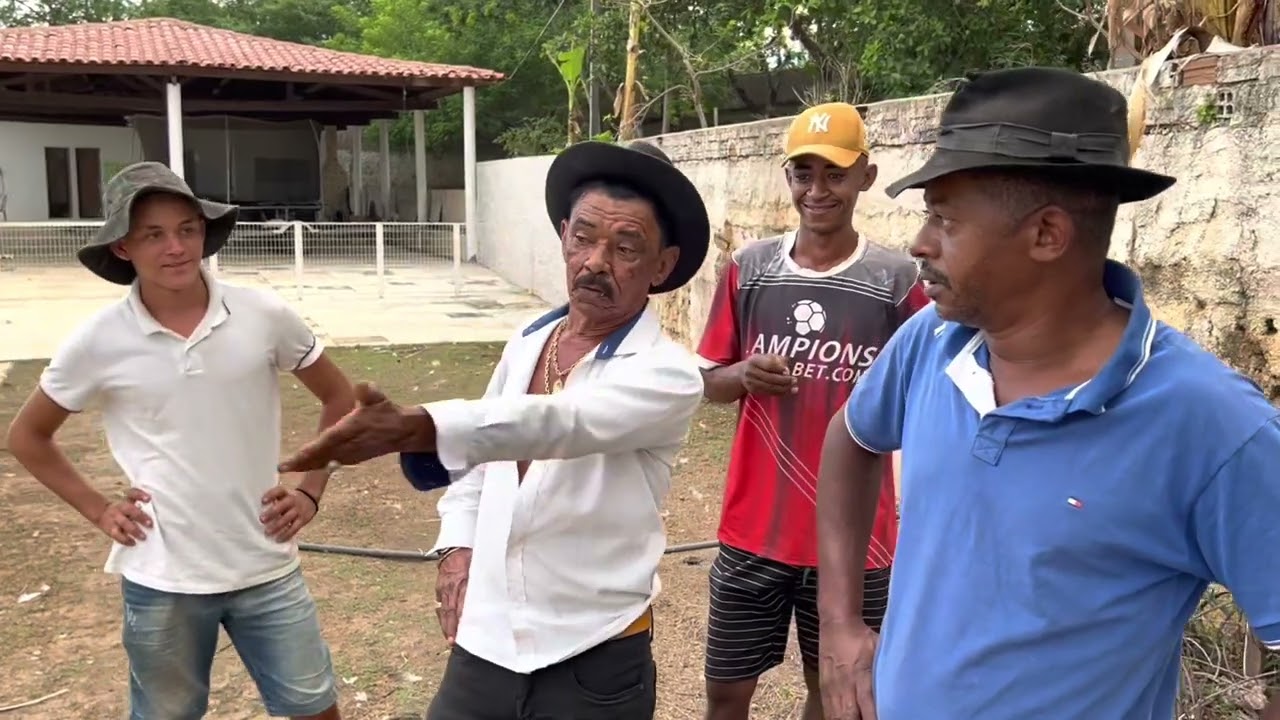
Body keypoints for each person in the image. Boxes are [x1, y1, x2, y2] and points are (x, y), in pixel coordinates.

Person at [815, 66, 1280, 720]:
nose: (919, 243)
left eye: (944, 220)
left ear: (1046, 235)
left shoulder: (1212, 426)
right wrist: (839, 623)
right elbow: (852, 437)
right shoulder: (932, 342)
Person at [277, 139, 710, 720]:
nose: (595, 262)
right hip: (486, 639)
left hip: (594, 647)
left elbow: (561, 423)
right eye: (583, 237)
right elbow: (480, 467)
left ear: (661, 265)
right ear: (563, 234)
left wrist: (419, 427)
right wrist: (457, 545)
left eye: (625, 247)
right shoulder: (528, 342)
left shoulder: (669, 374)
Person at [5, 162, 355, 720]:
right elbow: (28, 436)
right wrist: (99, 509)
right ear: (122, 247)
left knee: (315, 708)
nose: (176, 247)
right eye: (154, 234)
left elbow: (341, 399)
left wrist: (310, 490)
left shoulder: (262, 314)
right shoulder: (99, 340)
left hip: (265, 564)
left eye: (187, 229)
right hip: (161, 576)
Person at [696, 102, 926, 720]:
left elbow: (923, 398)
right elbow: (710, 381)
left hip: (857, 540)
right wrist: (742, 375)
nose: (817, 190)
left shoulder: (898, 281)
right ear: (788, 178)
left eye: (835, 174)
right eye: (803, 173)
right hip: (753, 530)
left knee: (837, 695)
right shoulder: (749, 269)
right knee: (726, 694)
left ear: (866, 177)